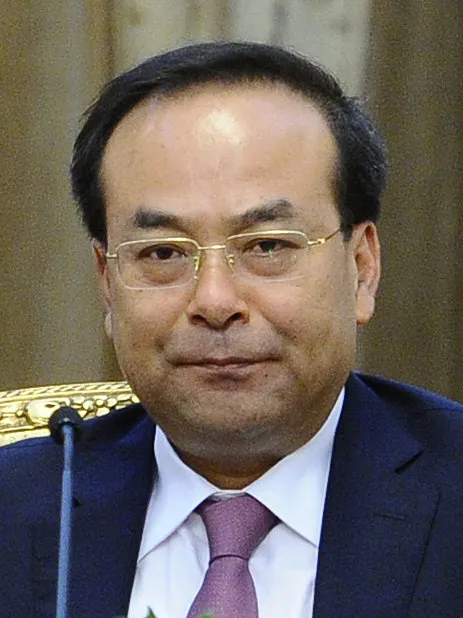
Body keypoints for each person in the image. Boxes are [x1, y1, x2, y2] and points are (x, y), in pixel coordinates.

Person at [1, 41, 463, 618]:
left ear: (361, 268)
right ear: (107, 283)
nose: (215, 302)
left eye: (266, 246)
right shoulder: (15, 511)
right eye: (163, 252)